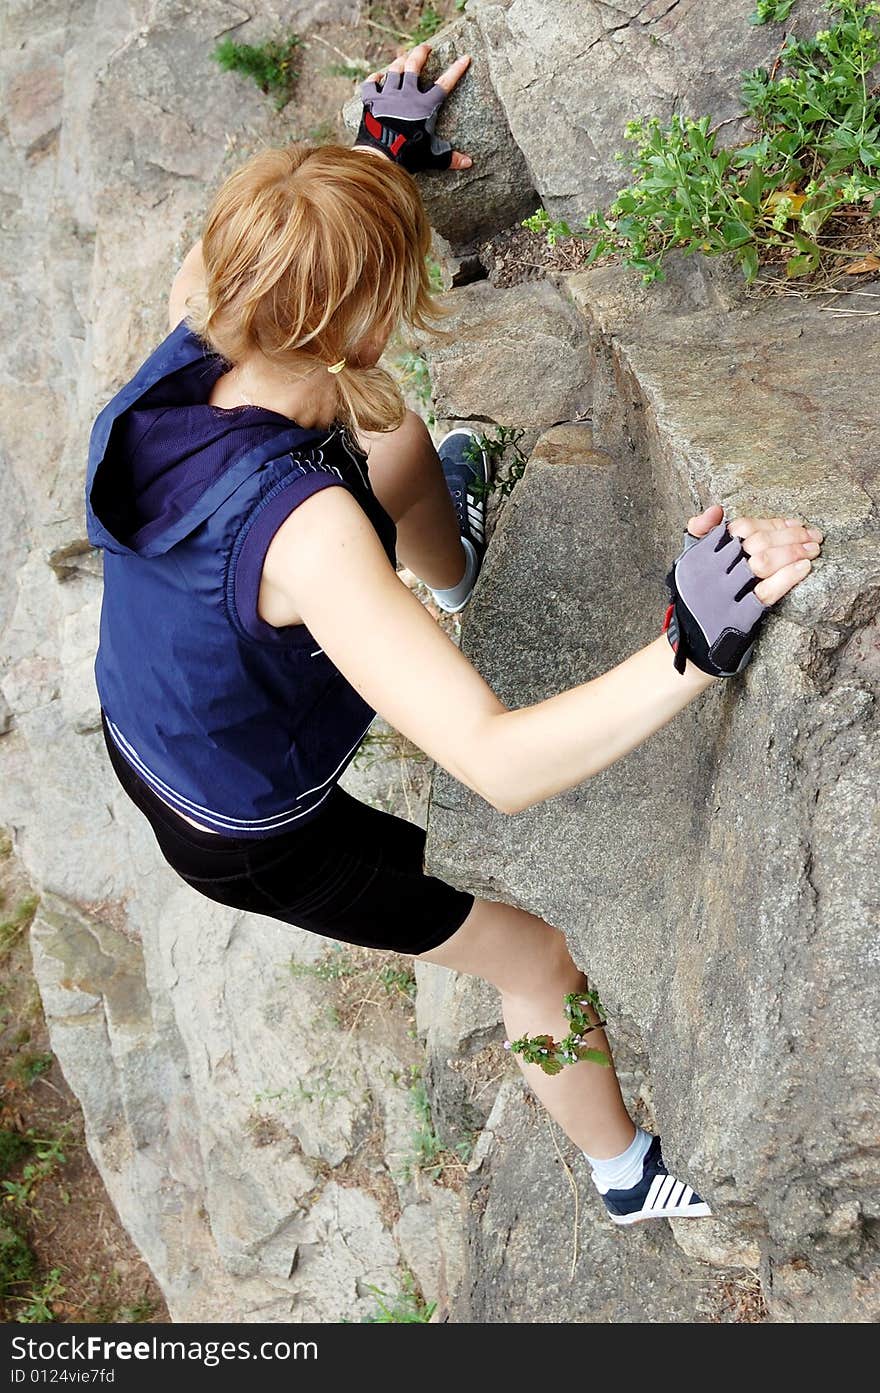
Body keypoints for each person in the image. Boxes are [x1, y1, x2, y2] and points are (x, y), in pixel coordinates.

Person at [85, 41, 824, 1227]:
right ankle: (622, 1171)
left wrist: (374, 162)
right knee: (530, 955)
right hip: (251, 828)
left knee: (395, 443)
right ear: (350, 325)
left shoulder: (209, 297)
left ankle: (447, 575)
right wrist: (692, 639)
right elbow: (497, 763)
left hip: (154, 718)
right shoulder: (311, 537)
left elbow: (308, 291)